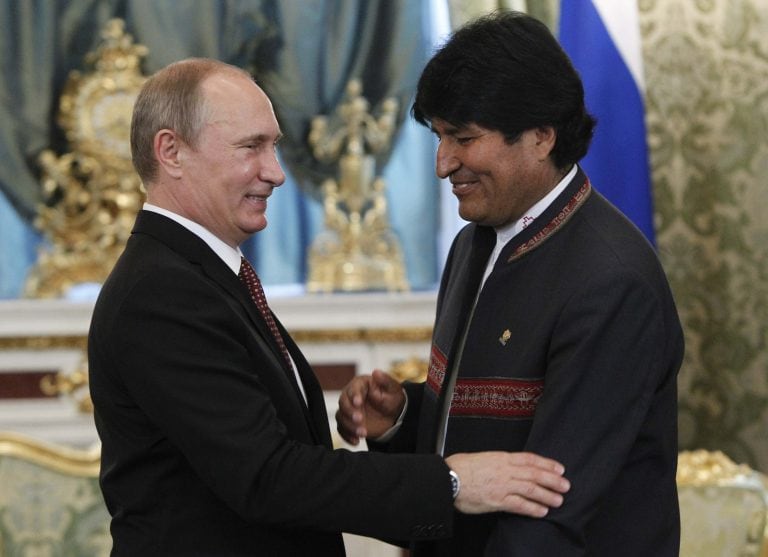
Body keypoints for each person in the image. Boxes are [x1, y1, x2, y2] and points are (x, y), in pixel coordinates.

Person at [87, 57, 571, 556]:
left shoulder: (200, 275)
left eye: (273, 146)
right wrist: (451, 482)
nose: (275, 173)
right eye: (251, 147)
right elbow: (268, 477)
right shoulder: (161, 293)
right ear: (171, 151)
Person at [337, 11, 684, 557]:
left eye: (464, 138)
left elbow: (550, 505)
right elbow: (479, 435)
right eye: (439, 136)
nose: (443, 163)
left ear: (542, 136)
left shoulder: (611, 281)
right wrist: (401, 420)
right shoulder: (473, 243)